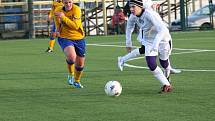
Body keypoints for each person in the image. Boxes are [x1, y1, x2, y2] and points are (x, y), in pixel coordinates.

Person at [120, 0, 175, 93]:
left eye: (133, 7)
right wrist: (128, 43)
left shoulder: (150, 14)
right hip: (149, 41)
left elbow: (162, 30)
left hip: (163, 40)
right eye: (130, 7)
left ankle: (168, 72)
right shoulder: (133, 16)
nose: (131, 9)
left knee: (164, 63)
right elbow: (129, 28)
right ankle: (166, 84)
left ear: (140, 6)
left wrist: (156, 43)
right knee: (151, 63)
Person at [54, 0, 86, 88]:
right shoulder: (58, 10)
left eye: (70, 2)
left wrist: (63, 17)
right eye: (66, 2)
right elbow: (57, 23)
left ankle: (77, 81)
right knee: (72, 57)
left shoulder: (77, 9)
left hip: (79, 38)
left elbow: (75, 26)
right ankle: (71, 74)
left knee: (80, 65)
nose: (68, 4)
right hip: (65, 37)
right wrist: (57, 31)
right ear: (63, 3)